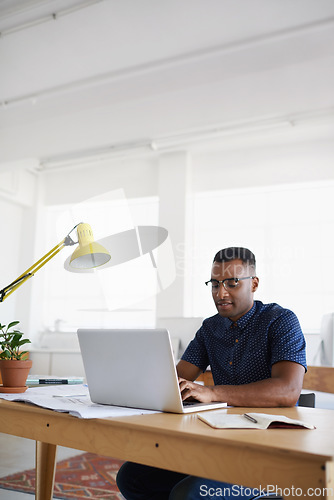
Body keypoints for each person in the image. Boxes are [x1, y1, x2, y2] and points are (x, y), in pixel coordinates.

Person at [116, 247, 307, 500]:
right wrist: (132, 380)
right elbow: (175, 380)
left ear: (255, 283)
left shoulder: (280, 321)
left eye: (232, 283)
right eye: (215, 284)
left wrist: (213, 393)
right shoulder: (210, 328)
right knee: (132, 478)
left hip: (268, 451)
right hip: (220, 441)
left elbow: (288, 391)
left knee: (188, 494)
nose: (221, 293)